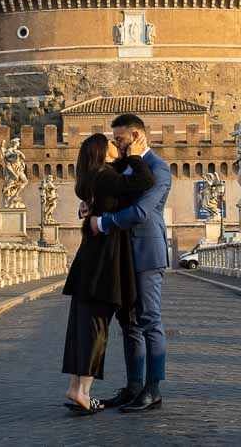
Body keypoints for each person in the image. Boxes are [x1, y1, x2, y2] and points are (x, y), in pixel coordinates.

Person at [84, 114, 172, 413]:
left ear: (135, 136)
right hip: (121, 255)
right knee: (129, 323)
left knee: (150, 320)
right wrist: (92, 204)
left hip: (146, 253)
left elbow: (141, 212)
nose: (115, 145)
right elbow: (113, 192)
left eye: (119, 139)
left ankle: (153, 389)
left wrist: (103, 222)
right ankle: (134, 386)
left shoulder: (159, 169)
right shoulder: (125, 167)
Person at [62, 133, 154, 415]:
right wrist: (137, 157)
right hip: (104, 263)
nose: (118, 146)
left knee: (82, 325)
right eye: (113, 144)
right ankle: (83, 392)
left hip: (89, 262)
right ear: (102, 152)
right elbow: (143, 181)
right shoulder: (105, 176)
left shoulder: (94, 177)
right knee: (96, 329)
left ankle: (76, 386)